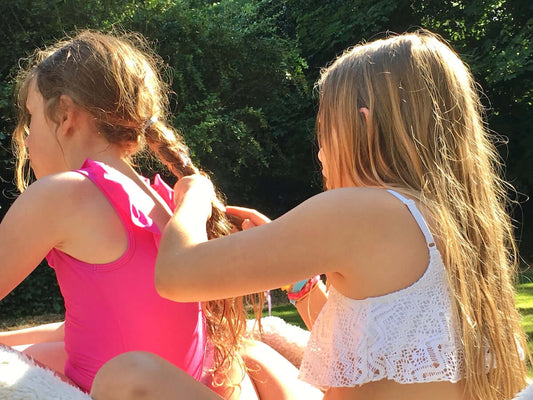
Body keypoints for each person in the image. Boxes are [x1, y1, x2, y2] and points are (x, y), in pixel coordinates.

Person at [91, 30, 530, 400]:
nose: (319, 152)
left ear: (364, 124)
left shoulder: (361, 209)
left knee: (129, 376)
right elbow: (373, 350)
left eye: (323, 131)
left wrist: (192, 198)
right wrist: (301, 286)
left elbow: (176, 276)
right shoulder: (458, 223)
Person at [0, 30, 260, 398]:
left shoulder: (63, 193)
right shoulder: (163, 199)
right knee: (39, 352)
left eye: (31, 119)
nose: (26, 140)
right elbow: (98, 326)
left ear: (65, 115)